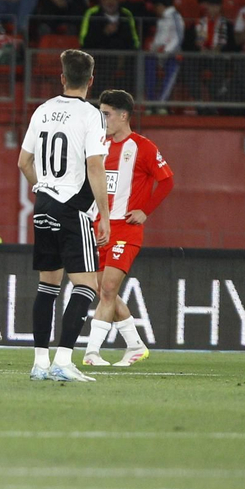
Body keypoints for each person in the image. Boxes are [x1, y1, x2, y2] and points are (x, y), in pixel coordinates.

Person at [19, 48, 111, 382]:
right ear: (91, 80)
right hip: (72, 208)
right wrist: (103, 213)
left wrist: (42, 189)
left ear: (62, 77)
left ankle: (40, 363)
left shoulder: (42, 110)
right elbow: (95, 165)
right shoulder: (90, 115)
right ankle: (63, 359)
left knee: (48, 286)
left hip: (43, 205)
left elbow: (23, 163)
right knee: (87, 286)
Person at [81, 89, 173, 367]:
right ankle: (134, 345)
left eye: (107, 113)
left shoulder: (143, 147)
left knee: (108, 288)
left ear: (123, 115)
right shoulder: (100, 145)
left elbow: (167, 181)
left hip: (127, 230)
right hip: (100, 228)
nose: (103, 118)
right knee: (103, 290)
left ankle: (91, 353)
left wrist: (145, 210)